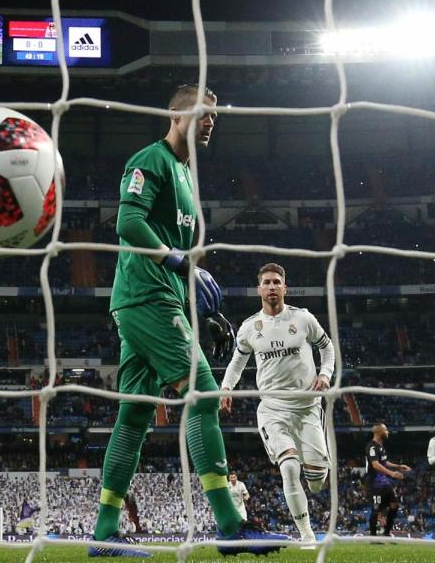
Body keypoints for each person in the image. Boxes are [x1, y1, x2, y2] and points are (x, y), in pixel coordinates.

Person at [91, 83, 286, 558]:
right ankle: (229, 526)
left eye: (215, 116)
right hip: (147, 297)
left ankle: (103, 534)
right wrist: (181, 265)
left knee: (135, 413)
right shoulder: (150, 160)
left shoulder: (183, 173)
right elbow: (128, 224)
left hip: (158, 301)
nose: (211, 122)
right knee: (202, 394)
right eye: (203, 114)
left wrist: (200, 309)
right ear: (176, 115)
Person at [220, 262, 335, 544]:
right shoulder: (249, 328)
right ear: (259, 289)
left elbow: (327, 347)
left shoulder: (304, 319)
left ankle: (316, 473)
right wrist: (226, 388)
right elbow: (237, 362)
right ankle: (307, 534)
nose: (272, 287)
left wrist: (325, 373)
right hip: (273, 409)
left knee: (318, 483)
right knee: (289, 468)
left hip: (308, 408)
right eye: (267, 282)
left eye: (276, 282)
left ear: (285, 287)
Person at [365, 423, 411, 537]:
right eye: (385, 430)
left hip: (384, 482)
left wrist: (398, 466)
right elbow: (375, 464)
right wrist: (392, 474)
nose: (387, 432)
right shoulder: (372, 446)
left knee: (394, 505)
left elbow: (384, 462)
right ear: (378, 432)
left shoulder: (380, 446)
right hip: (374, 482)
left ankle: (386, 533)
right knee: (376, 510)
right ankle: (373, 537)